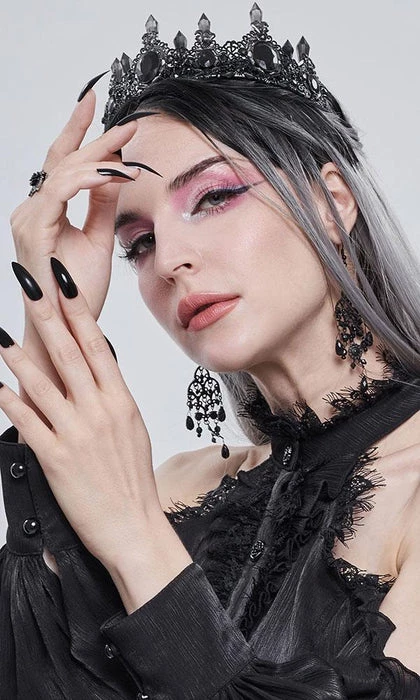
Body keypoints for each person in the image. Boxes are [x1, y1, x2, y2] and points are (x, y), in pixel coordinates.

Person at [0, 4, 419, 698]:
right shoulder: (179, 490)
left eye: (214, 197)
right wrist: (54, 315)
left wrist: (134, 534)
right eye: (138, 243)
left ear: (330, 203)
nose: (169, 260)